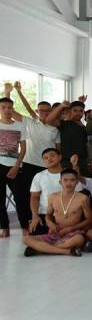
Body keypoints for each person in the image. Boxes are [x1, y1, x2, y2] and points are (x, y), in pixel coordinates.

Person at [5, 82, 60, 216]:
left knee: (46, 195)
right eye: (42, 110)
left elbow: (58, 150)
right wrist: (8, 93)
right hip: (29, 164)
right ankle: (31, 220)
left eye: (48, 110)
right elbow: (10, 112)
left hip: (47, 166)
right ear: (37, 111)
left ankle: (46, 219)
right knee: (28, 195)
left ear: (52, 111)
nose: (45, 113)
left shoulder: (55, 129)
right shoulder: (29, 122)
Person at [23, 168, 92, 257]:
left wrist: (70, 229)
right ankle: (67, 251)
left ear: (77, 182)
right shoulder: (53, 197)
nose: (68, 183)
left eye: (72, 180)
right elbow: (48, 215)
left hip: (74, 232)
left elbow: (89, 220)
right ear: (60, 182)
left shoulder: (83, 198)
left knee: (79, 239)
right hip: (56, 231)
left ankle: (42, 249)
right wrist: (49, 222)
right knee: (26, 239)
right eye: (65, 180)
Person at [28, 148, 82, 236]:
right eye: (46, 158)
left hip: (67, 215)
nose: (49, 159)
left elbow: (79, 195)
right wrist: (35, 216)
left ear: (60, 157)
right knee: (33, 236)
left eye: (52, 156)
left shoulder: (69, 174)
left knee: (72, 236)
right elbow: (34, 198)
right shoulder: (39, 176)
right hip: (45, 214)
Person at [0, 95, 28, 237]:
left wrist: (17, 166)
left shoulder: (20, 125)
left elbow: (23, 148)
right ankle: (5, 227)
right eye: (3, 107)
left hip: (14, 166)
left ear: (13, 109)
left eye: (10, 107)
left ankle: (25, 228)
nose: (7, 110)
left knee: (20, 198)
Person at [46, 99, 90, 175]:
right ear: (70, 111)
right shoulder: (65, 124)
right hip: (67, 163)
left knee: (83, 182)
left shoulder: (83, 127)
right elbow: (48, 120)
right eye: (75, 110)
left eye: (80, 111)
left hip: (82, 162)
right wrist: (61, 106)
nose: (78, 113)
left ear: (83, 112)